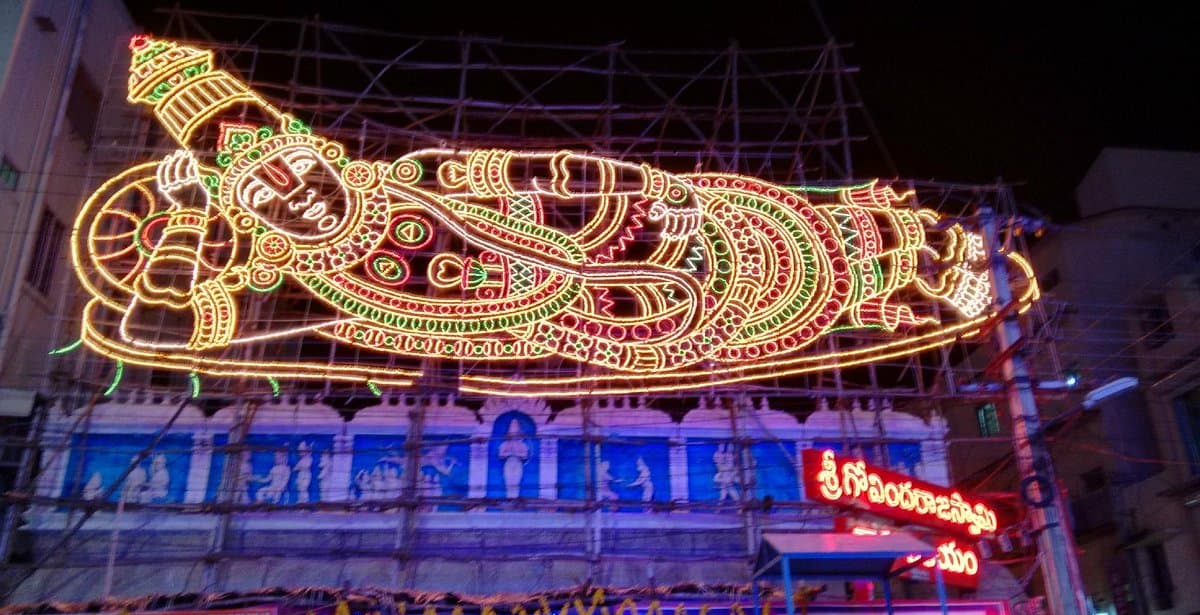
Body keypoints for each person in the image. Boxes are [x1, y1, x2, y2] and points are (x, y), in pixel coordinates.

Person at [72, 35, 1027, 397]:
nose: (299, 191)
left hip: (633, 228)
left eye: (292, 167)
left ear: (313, 150)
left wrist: (616, 197)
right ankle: (891, 273)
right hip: (608, 320)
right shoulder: (318, 283)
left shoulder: (414, 169)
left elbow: (536, 166)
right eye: (271, 196)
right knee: (752, 304)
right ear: (261, 222)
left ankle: (913, 259)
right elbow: (304, 327)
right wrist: (187, 314)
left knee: (793, 255)